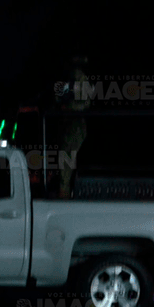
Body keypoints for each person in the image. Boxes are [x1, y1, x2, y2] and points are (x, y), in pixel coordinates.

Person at [56, 54, 91, 199]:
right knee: (65, 162)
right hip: (68, 125)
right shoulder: (67, 81)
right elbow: (58, 99)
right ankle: (64, 192)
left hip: (76, 124)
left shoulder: (82, 80)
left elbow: (85, 104)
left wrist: (68, 106)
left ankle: (65, 192)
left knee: (69, 161)